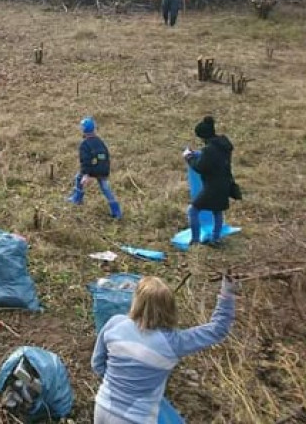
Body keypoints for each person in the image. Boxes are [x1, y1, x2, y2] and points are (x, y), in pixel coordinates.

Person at [91, 275, 237, 423]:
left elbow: (97, 364)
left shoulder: (115, 323)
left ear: (137, 302)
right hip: (136, 418)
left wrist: (122, 382)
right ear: (170, 307)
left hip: (102, 407)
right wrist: (227, 294)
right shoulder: (175, 343)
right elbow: (217, 330)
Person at [182, 115, 237, 246]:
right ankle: (215, 239)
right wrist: (198, 155)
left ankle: (195, 241)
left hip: (212, 186)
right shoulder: (223, 144)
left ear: (203, 136)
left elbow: (200, 167)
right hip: (225, 184)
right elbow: (211, 160)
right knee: (217, 210)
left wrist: (188, 157)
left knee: (193, 210)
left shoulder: (209, 150)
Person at [67, 117, 122, 219]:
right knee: (105, 188)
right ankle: (116, 211)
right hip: (103, 169)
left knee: (79, 178)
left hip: (92, 169)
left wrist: (86, 174)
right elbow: (105, 155)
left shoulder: (85, 144)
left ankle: (77, 198)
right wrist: (105, 170)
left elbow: (85, 161)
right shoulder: (100, 141)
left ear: (83, 130)